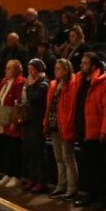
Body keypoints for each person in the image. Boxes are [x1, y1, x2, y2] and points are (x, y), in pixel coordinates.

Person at [74, 52, 106, 211]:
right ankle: (90, 195)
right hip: (82, 130)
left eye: (85, 63)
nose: (81, 65)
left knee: (98, 168)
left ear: (93, 66)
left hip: (96, 134)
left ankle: (101, 199)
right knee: (87, 167)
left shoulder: (104, 84)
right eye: (82, 63)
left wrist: (105, 132)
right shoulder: (79, 81)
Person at [44, 58, 80, 200]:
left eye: (58, 68)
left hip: (65, 125)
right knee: (58, 158)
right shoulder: (54, 84)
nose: (55, 71)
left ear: (66, 70)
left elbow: (71, 107)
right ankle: (61, 185)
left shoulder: (72, 84)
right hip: (54, 124)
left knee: (68, 158)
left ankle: (72, 189)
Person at [0, 59, 26, 187]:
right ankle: (8, 173)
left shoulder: (20, 83)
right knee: (6, 148)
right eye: (6, 68)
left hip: (12, 121)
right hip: (2, 119)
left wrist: (14, 121)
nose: (6, 70)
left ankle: (16, 176)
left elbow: (18, 104)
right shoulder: (4, 82)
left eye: (9, 68)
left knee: (14, 149)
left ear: (17, 70)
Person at [21, 58, 50, 193]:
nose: (30, 72)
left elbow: (33, 98)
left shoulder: (43, 84)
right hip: (28, 121)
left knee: (38, 152)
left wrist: (30, 85)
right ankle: (32, 178)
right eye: (29, 69)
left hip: (37, 122)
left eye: (32, 69)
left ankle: (41, 181)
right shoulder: (30, 83)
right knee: (29, 152)